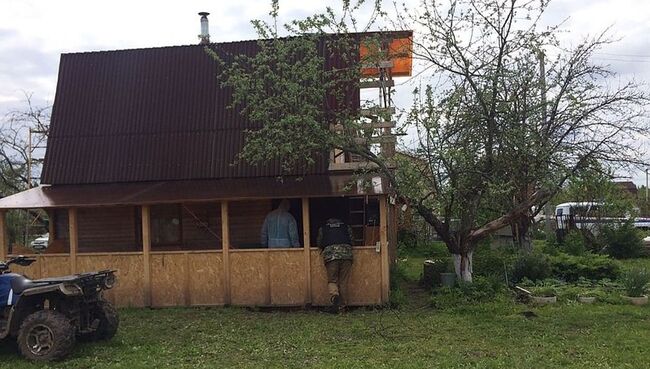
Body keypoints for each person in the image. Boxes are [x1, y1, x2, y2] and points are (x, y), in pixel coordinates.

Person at [317, 217, 353, 312]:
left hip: (331, 256)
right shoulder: (346, 227)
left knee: (332, 280)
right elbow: (352, 240)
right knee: (343, 281)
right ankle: (343, 306)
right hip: (347, 255)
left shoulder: (323, 228)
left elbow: (319, 242)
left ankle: (335, 296)